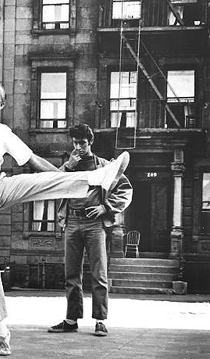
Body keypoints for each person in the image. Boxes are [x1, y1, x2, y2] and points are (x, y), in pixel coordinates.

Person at [0, 5, 130, 356]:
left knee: (44, 180)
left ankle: (98, 176)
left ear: (1, 105)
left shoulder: (3, 131)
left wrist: (65, 174)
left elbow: (33, 162)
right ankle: (1, 329)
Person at [48, 124, 133, 337]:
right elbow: (52, 183)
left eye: (82, 143)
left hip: (95, 225)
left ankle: (100, 321)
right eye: (75, 143)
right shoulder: (68, 165)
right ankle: (71, 320)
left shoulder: (104, 165)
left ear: (90, 142)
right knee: (71, 274)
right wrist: (69, 166)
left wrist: (106, 207)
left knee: (99, 273)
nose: (78, 147)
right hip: (72, 223)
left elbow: (125, 189)